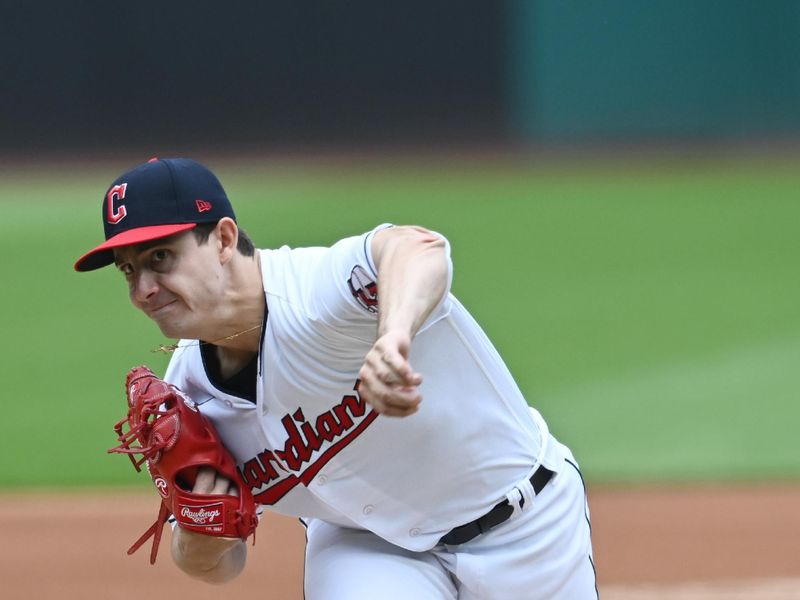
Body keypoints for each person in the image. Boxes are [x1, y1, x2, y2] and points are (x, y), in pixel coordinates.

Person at [75, 157, 597, 599]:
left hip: (527, 526)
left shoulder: (316, 291)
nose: (143, 288)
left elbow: (417, 247)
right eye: (128, 270)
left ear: (224, 238)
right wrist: (199, 537)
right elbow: (216, 566)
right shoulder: (186, 397)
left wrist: (393, 333)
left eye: (159, 257)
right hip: (368, 547)